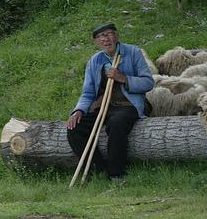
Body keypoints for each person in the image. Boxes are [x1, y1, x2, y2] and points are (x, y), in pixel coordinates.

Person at [66, 23, 154, 180]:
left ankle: (116, 174)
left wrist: (123, 78)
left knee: (116, 123)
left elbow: (148, 82)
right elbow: (87, 93)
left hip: (129, 105)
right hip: (104, 106)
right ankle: (98, 171)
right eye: (100, 37)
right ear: (96, 42)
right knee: (75, 128)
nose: (105, 39)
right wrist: (78, 110)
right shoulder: (94, 61)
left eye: (108, 34)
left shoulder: (133, 52)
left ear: (117, 36)